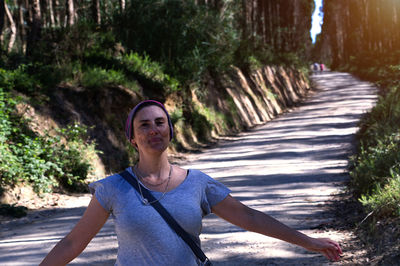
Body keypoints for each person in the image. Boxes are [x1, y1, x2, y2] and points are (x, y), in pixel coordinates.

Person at [40, 100, 342, 265]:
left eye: (160, 122)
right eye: (144, 125)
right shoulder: (113, 188)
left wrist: (309, 242)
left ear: (170, 130)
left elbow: (249, 217)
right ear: (132, 138)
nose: (154, 129)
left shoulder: (198, 183)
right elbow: (73, 242)